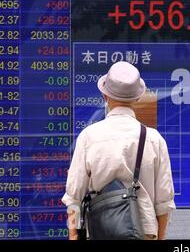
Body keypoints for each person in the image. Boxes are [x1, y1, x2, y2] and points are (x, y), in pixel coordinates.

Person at [62, 61, 176, 240]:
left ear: (104, 96)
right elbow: (164, 202)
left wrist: (73, 235)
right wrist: (159, 237)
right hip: (143, 232)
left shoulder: (89, 137)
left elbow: (74, 197)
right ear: (137, 98)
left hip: (100, 231)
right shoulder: (154, 140)